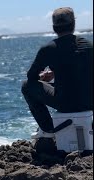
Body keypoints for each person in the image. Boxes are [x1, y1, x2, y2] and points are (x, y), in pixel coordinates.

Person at [21, 7, 93, 139]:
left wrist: (43, 77)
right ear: (73, 24)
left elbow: (31, 77)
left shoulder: (48, 48)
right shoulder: (89, 45)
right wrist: (55, 73)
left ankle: (48, 129)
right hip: (90, 102)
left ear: (54, 27)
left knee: (26, 86)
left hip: (66, 104)